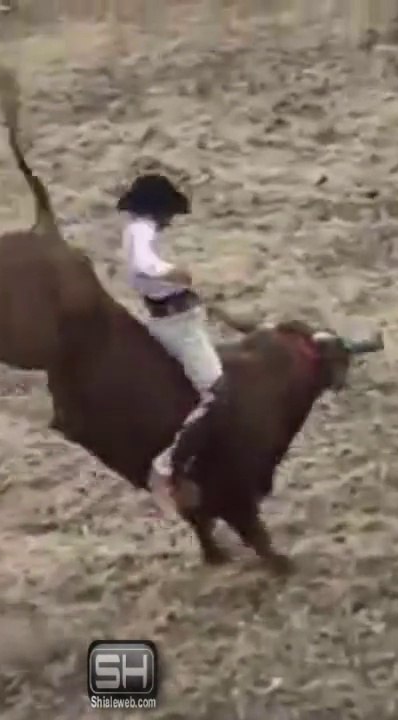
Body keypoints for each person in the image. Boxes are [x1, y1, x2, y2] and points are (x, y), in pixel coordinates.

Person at [117, 172, 225, 511]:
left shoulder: (136, 230)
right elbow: (146, 264)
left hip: (174, 316)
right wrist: (172, 273)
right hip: (177, 323)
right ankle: (166, 465)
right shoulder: (141, 231)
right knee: (219, 395)